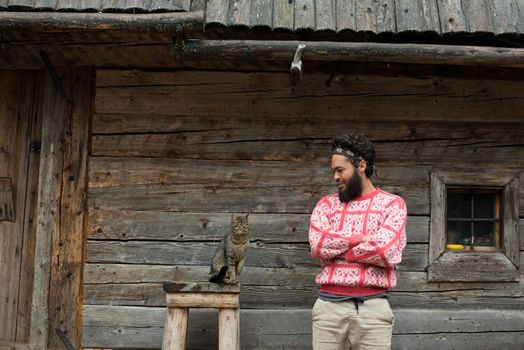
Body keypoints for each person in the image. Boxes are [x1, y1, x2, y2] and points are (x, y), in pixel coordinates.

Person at [308, 134, 407, 350]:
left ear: (361, 165)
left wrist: (341, 253)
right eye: (333, 170)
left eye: (340, 170)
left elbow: (385, 251)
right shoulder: (326, 205)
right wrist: (359, 239)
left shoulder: (392, 205)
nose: (335, 176)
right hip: (328, 310)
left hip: (373, 310)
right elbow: (318, 244)